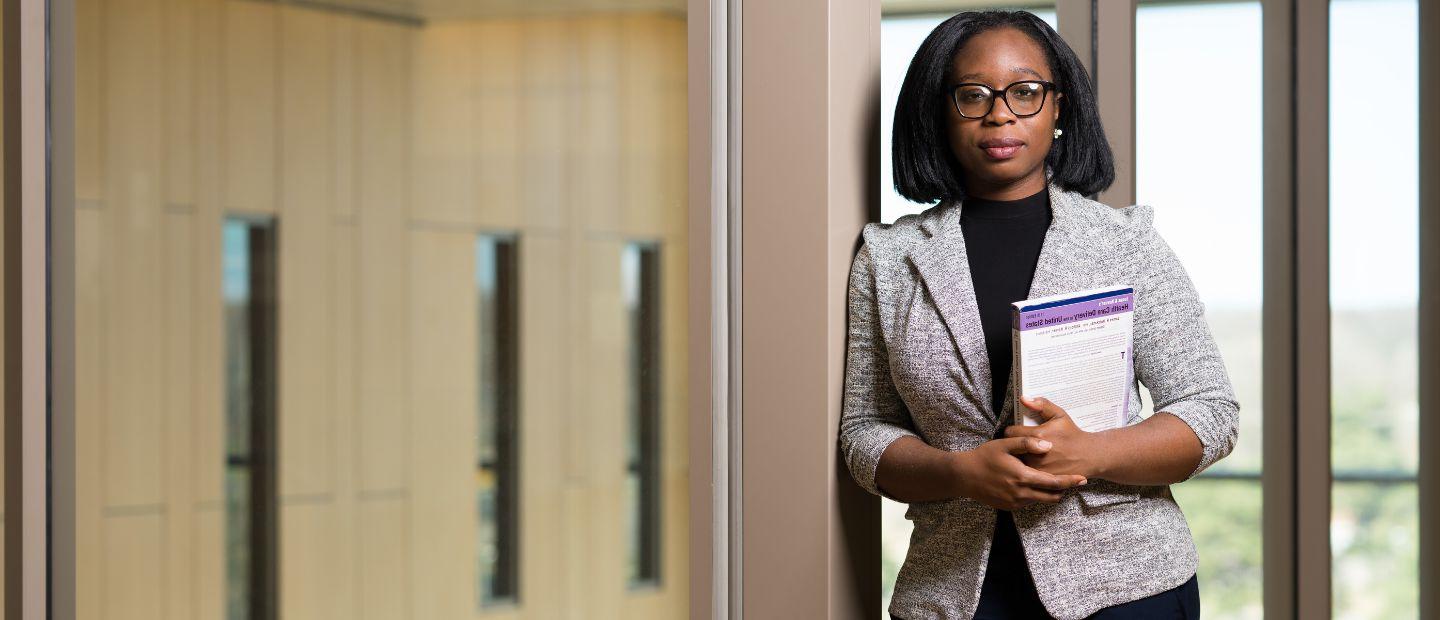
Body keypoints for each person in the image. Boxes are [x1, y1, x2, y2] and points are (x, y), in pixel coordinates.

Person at [837, 9, 1239, 620]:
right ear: (939, 114)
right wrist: (958, 473)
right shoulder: (888, 259)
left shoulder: (1125, 243)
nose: (1000, 113)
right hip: (954, 591)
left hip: (1126, 588)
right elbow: (865, 432)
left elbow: (1209, 412)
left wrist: (1092, 453)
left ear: (1059, 109)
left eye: (1025, 92)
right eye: (972, 95)